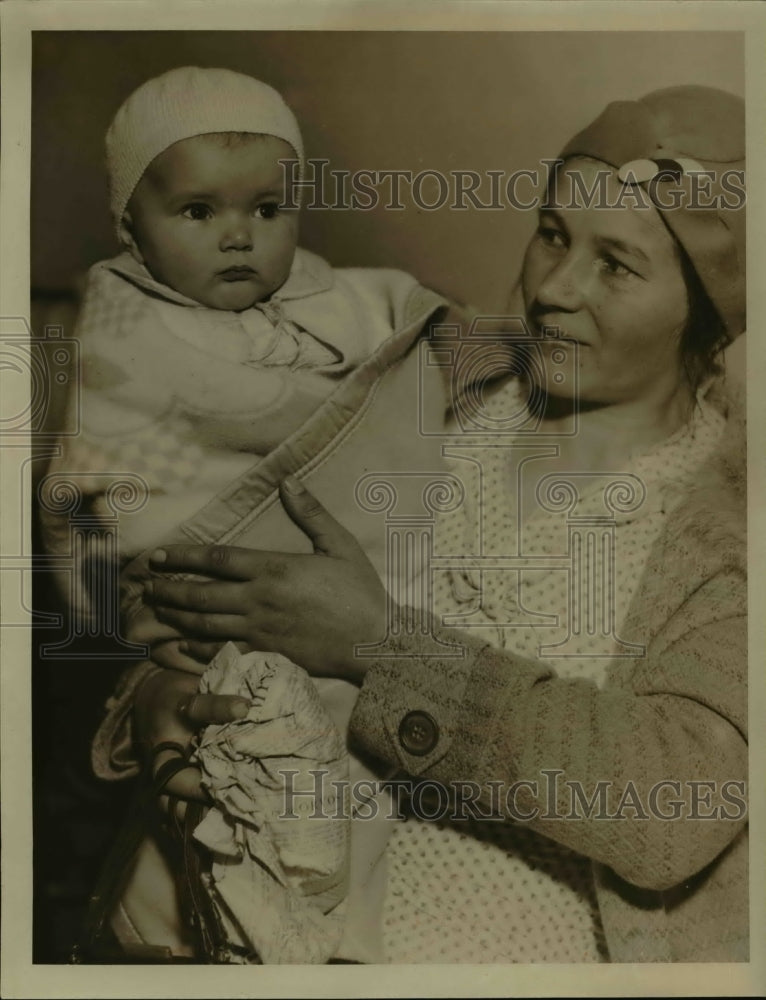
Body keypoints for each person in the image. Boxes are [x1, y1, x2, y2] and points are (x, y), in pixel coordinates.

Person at [108, 85, 748, 963]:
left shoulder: (731, 531)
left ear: (705, 311)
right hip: (262, 943)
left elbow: (673, 804)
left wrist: (380, 646)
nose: (555, 289)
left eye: (617, 264)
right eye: (553, 234)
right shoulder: (421, 392)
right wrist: (152, 698)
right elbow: (199, 553)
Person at [41, 65, 460, 963]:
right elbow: (99, 482)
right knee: (231, 757)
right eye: (197, 213)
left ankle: (332, 935)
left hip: (349, 571)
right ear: (131, 224)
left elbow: (404, 369)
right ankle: (205, 933)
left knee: (360, 754)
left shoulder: (341, 297)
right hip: (204, 594)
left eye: (269, 211)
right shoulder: (122, 324)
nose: (239, 237)